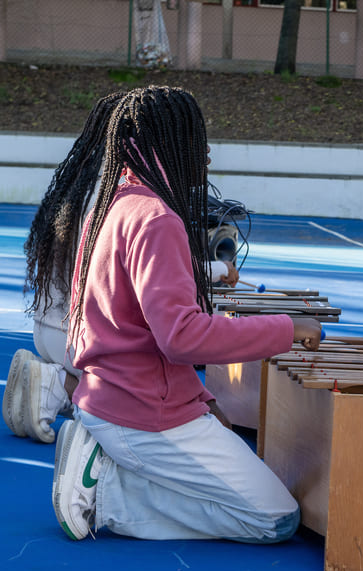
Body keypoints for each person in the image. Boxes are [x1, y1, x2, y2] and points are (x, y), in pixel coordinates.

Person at [53, 86, 322, 544]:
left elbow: (128, 329)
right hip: (138, 414)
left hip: (110, 400)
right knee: (274, 519)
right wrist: (287, 328)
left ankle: (108, 461)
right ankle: (108, 494)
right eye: (198, 139)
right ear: (166, 146)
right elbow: (182, 337)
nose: (209, 155)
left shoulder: (112, 204)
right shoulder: (157, 219)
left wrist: (198, 397)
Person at [2, 92, 241, 444]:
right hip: (79, 339)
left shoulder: (84, 181)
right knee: (153, 381)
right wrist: (218, 272)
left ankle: (59, 384)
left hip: (52, 329)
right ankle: (63, 391)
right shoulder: (124, 194)